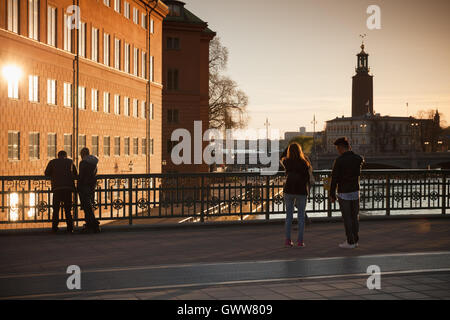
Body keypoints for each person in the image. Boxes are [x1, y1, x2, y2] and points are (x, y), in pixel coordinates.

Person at [330, 137, 364, 249]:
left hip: (343, 192)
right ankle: (355, 239)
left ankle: (350, 241)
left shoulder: (339, 160)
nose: (337, 151)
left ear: (340, 148)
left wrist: (332, 194)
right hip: (355, 191)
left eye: (337, 148)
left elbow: (334, 178)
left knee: (347, 218)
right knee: (355, 217)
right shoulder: (358, 158)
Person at [280, 142, 311, 247]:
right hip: (301, 191)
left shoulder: (287, 162)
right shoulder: (304, 162)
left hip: (288, 190)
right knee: (301, 217)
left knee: (289, 217)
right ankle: (300, 241)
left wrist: (288, 147)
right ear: (300, 151)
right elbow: (307, 178)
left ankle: (288, 240)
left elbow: (281, 157)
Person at [44, 150, 77, 233]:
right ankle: (70, 228)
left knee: (56, 209)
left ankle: (55, 228)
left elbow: (46, 173)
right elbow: (76, 174)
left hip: (57, 188)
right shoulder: (70, 162)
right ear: (65, 156)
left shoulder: (52, 162)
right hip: (68, 188)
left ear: (58, 156)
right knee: (68, 210)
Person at [78, 147, 101, 233]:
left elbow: (81, 176)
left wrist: (79, 186)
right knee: (89, 207)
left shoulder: (83, 163)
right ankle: (91, 225)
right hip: (91, 186)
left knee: (86, 207)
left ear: (82, 154)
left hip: (84, 186)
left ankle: (94, 225)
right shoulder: (94, 163)